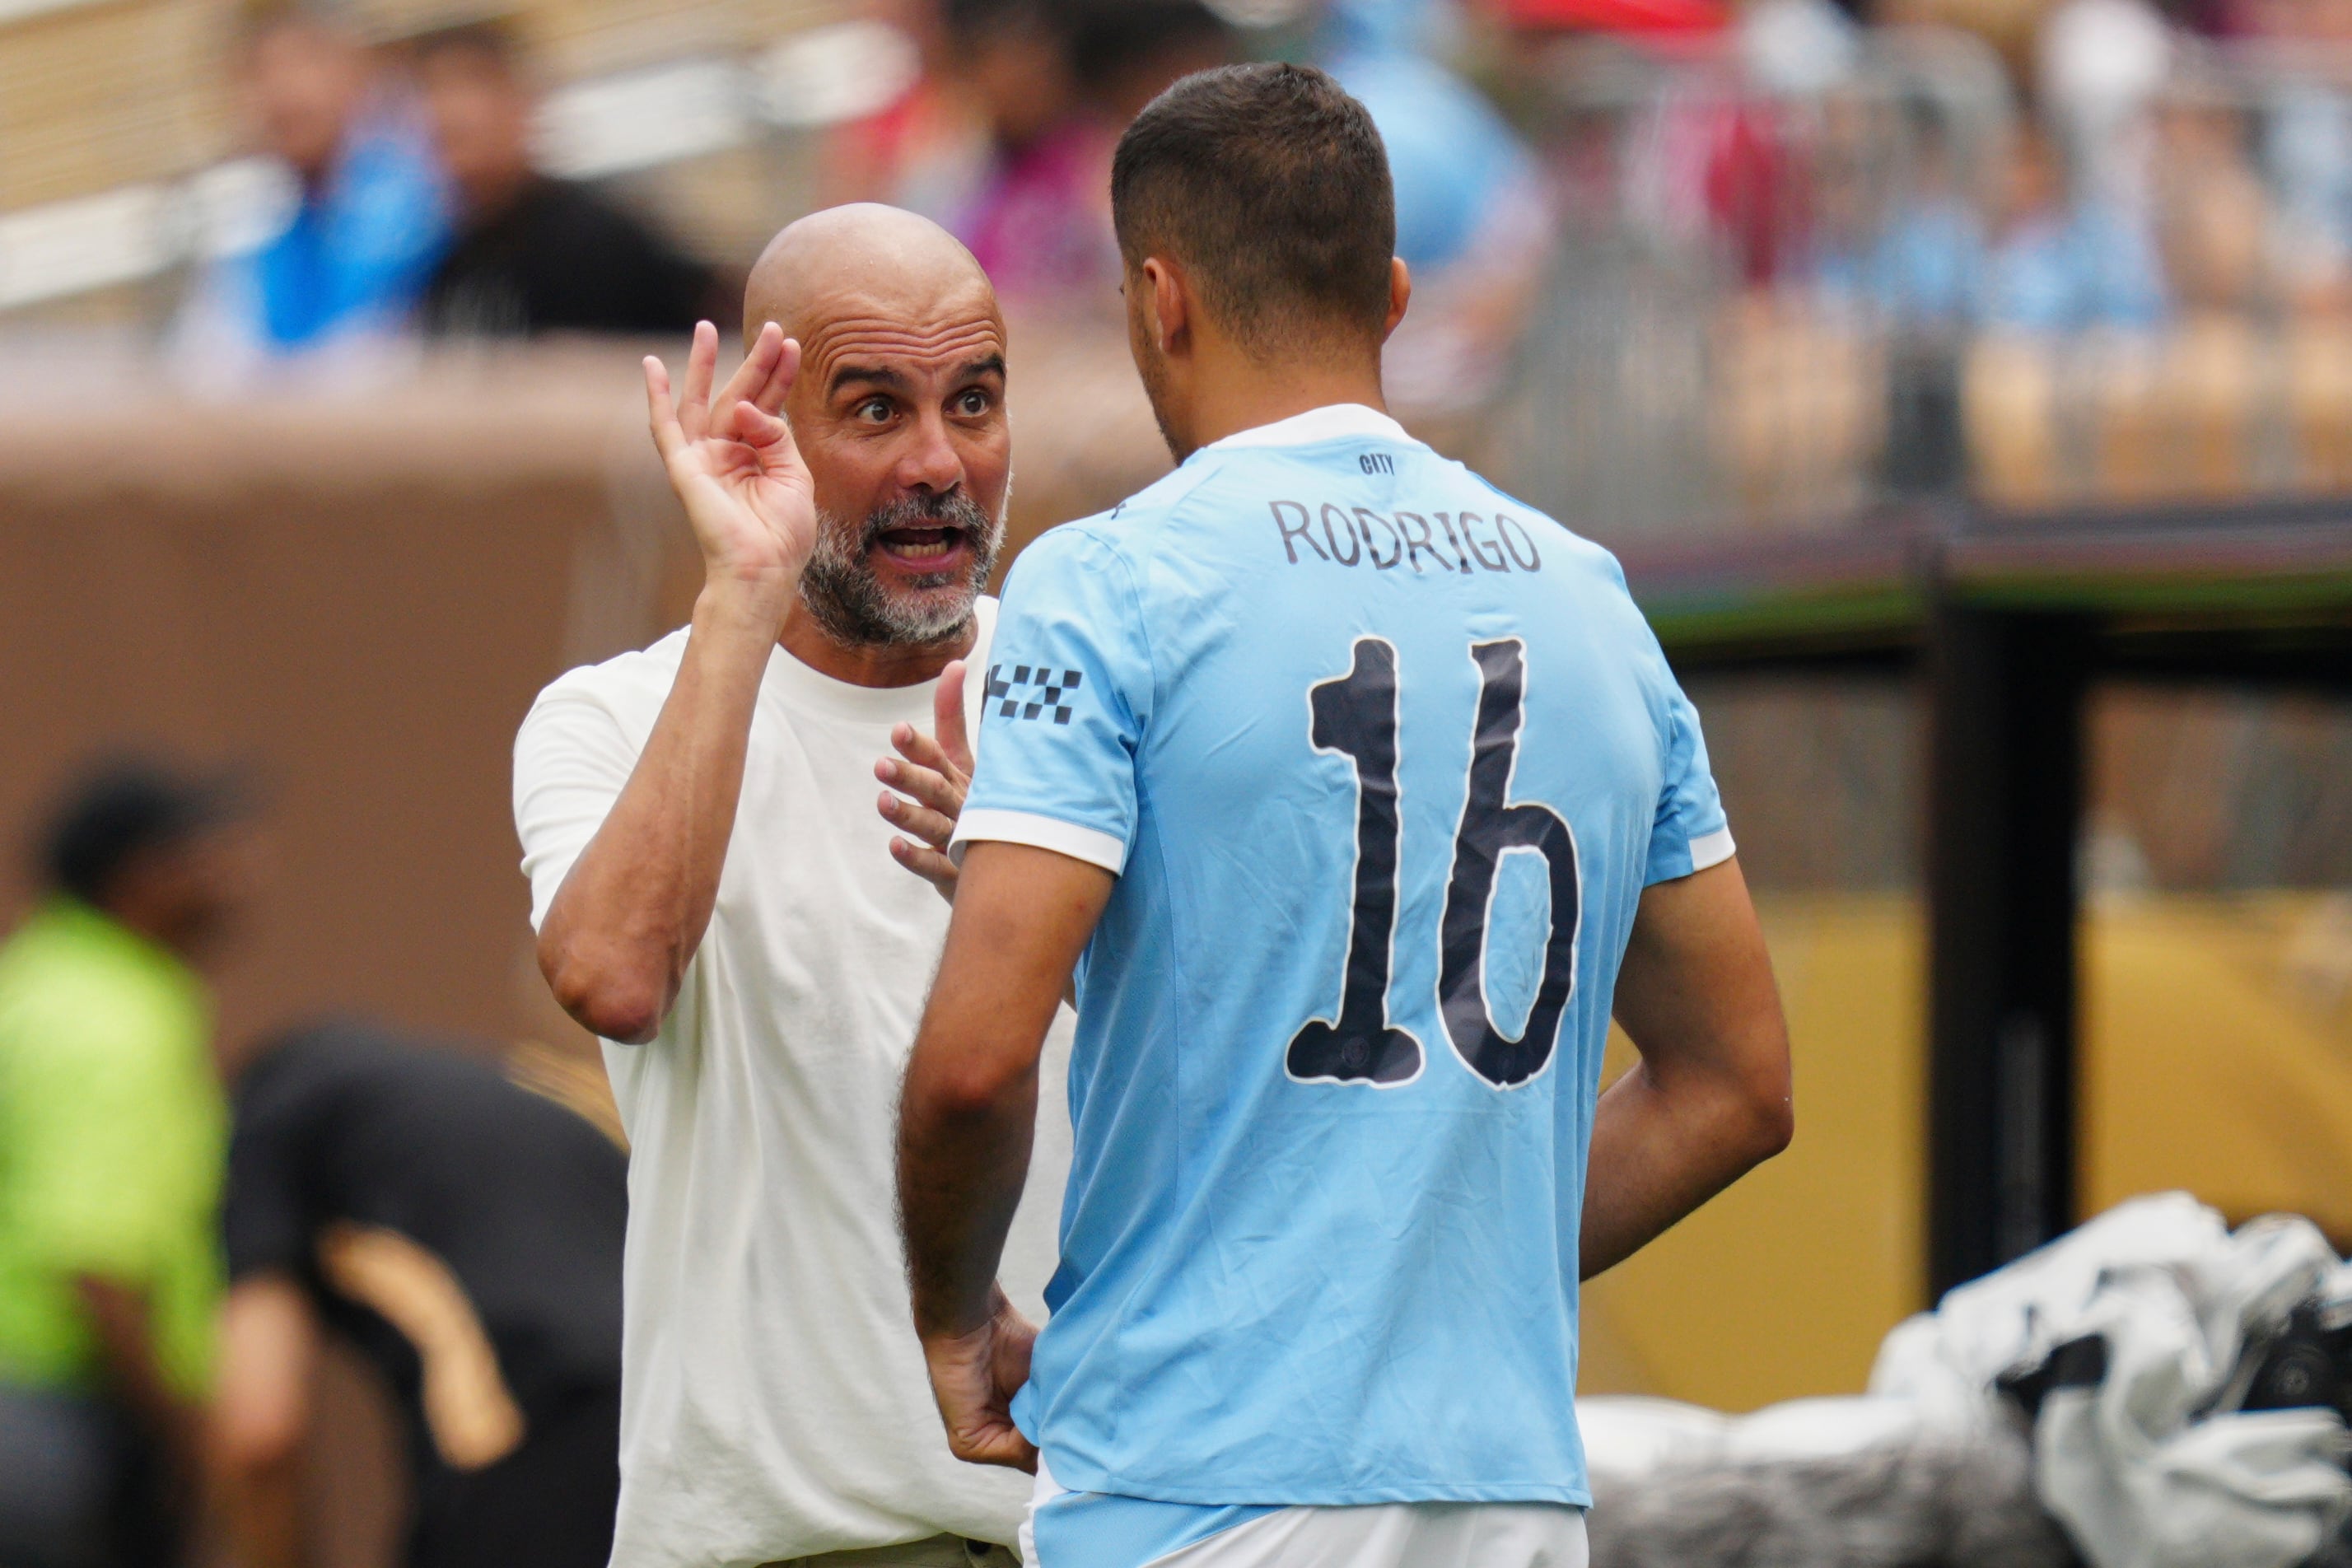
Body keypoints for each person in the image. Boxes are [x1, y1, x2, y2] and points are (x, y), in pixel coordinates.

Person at [894, 64, 1794, 1567]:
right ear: (1390, 291)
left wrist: (945, 1315)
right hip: (1502, 1493)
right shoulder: (1589, 597)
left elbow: (977, 1065)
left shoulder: (1107, 583)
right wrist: (1435, 1266)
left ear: (1155, 302)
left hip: (1191, 1479)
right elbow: (1737, 1083)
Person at [511, 204, 1072, 1567]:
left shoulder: (1088, 689)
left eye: (975, 401)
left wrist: (1032, 903)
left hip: (1095, 1524)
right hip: (772, 1539)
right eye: (875, 409)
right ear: (769, 430)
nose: (940, 464)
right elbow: (615, 976)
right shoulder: (609, 713)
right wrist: (745, 587)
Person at [211, 1021, 628, 1568]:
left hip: (526, 1446)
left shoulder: (275, 1115)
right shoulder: (536, 1099)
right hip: (700, 1446)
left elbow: (262, 1434)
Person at [0, 762, 256, 1568]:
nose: (239, 872)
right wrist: (192, 1438)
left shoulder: (39, 979)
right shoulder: (112, 1022)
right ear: (142, 875)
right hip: (56, 1420)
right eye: (207, 851)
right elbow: (98, 1267)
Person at [174, 1, 450, 377]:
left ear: (360, 68)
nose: (281, 91)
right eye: (258, 72)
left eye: (304, 61)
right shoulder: (263, 225)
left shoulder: (432, 188)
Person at [413, 22, 722, 339]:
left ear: (522, 102)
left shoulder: (595, 243)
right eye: (431, 89)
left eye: (471, 82)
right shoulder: (447, 262)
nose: (447, 108)